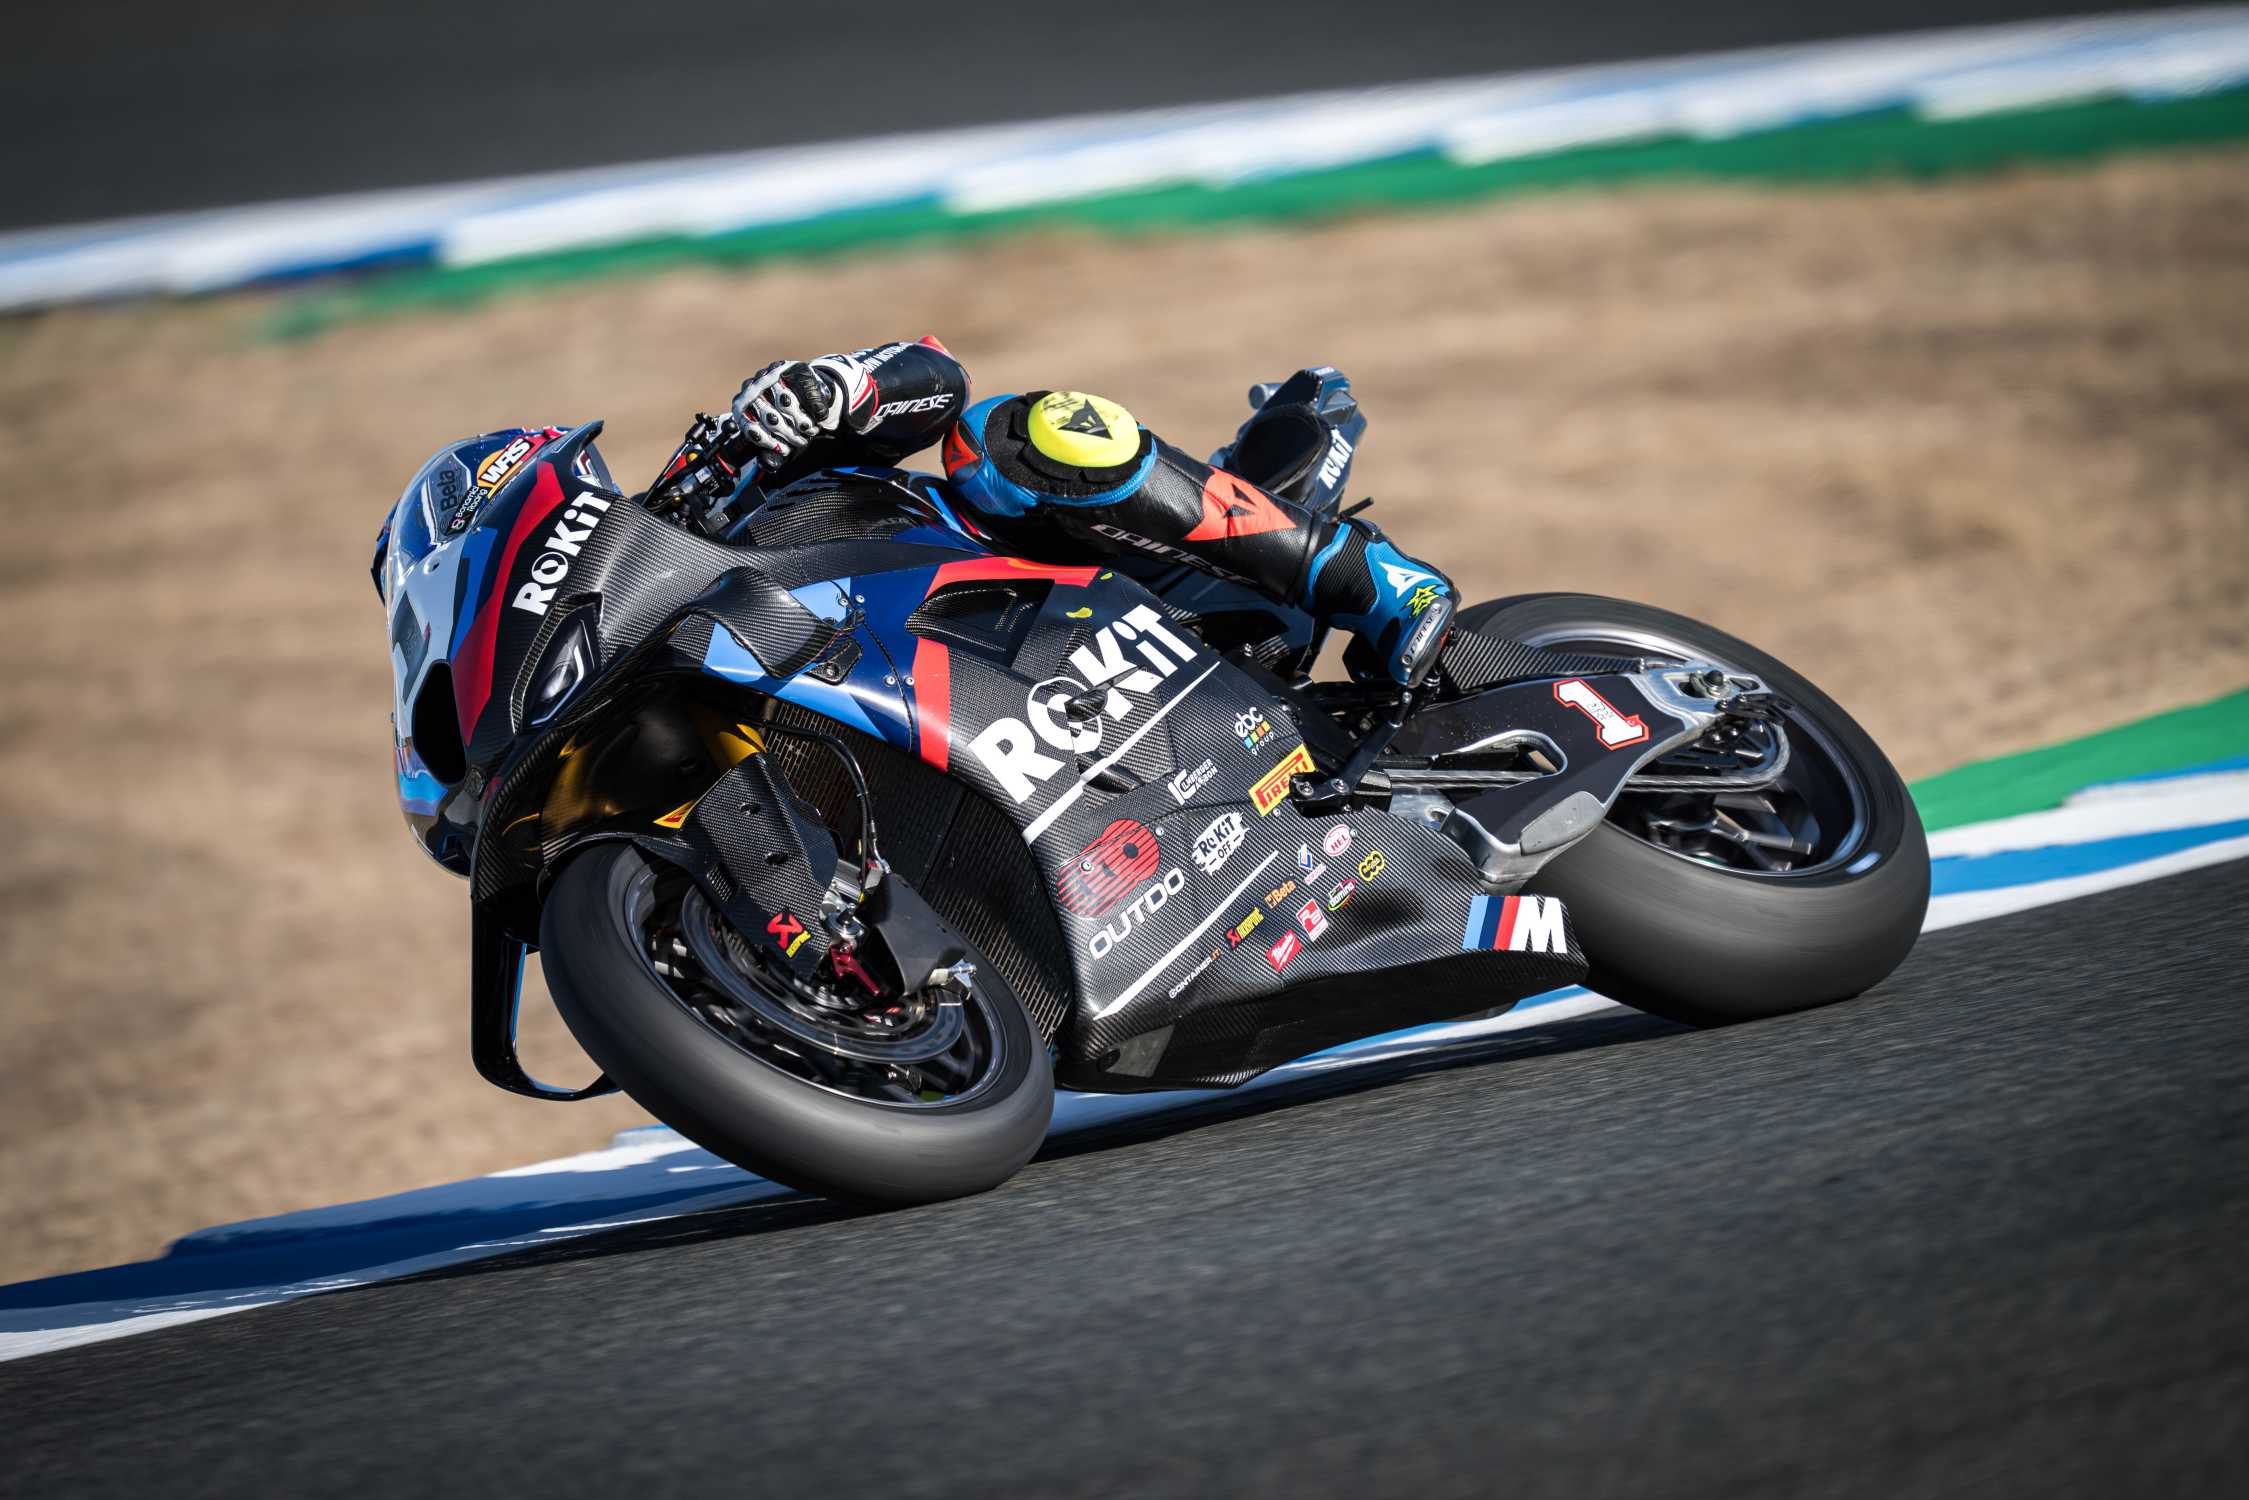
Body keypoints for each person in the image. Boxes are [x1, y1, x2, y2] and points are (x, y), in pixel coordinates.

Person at [680, 336, 1457, 689]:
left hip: (1043, 586)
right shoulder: (654, 644)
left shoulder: (703, 493)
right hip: (978, 713)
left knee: (1010, 434)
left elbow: (937, 377)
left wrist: (836, 388)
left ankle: (1366, 577)